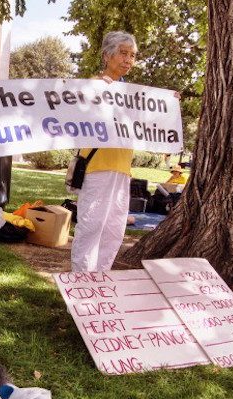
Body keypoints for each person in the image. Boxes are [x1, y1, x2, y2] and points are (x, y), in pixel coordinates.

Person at [71, 31, 138, 272]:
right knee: (91, 227)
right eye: (123, 53)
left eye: (132, 55)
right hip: (98, 167)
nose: (128, 59)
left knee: (113, 231)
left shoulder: (132, 94)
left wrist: (168, 105)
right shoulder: (92, 85)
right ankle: (80, 291)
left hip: (122, 169)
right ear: (107, 55)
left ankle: (99, 287)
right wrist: (99, 90)